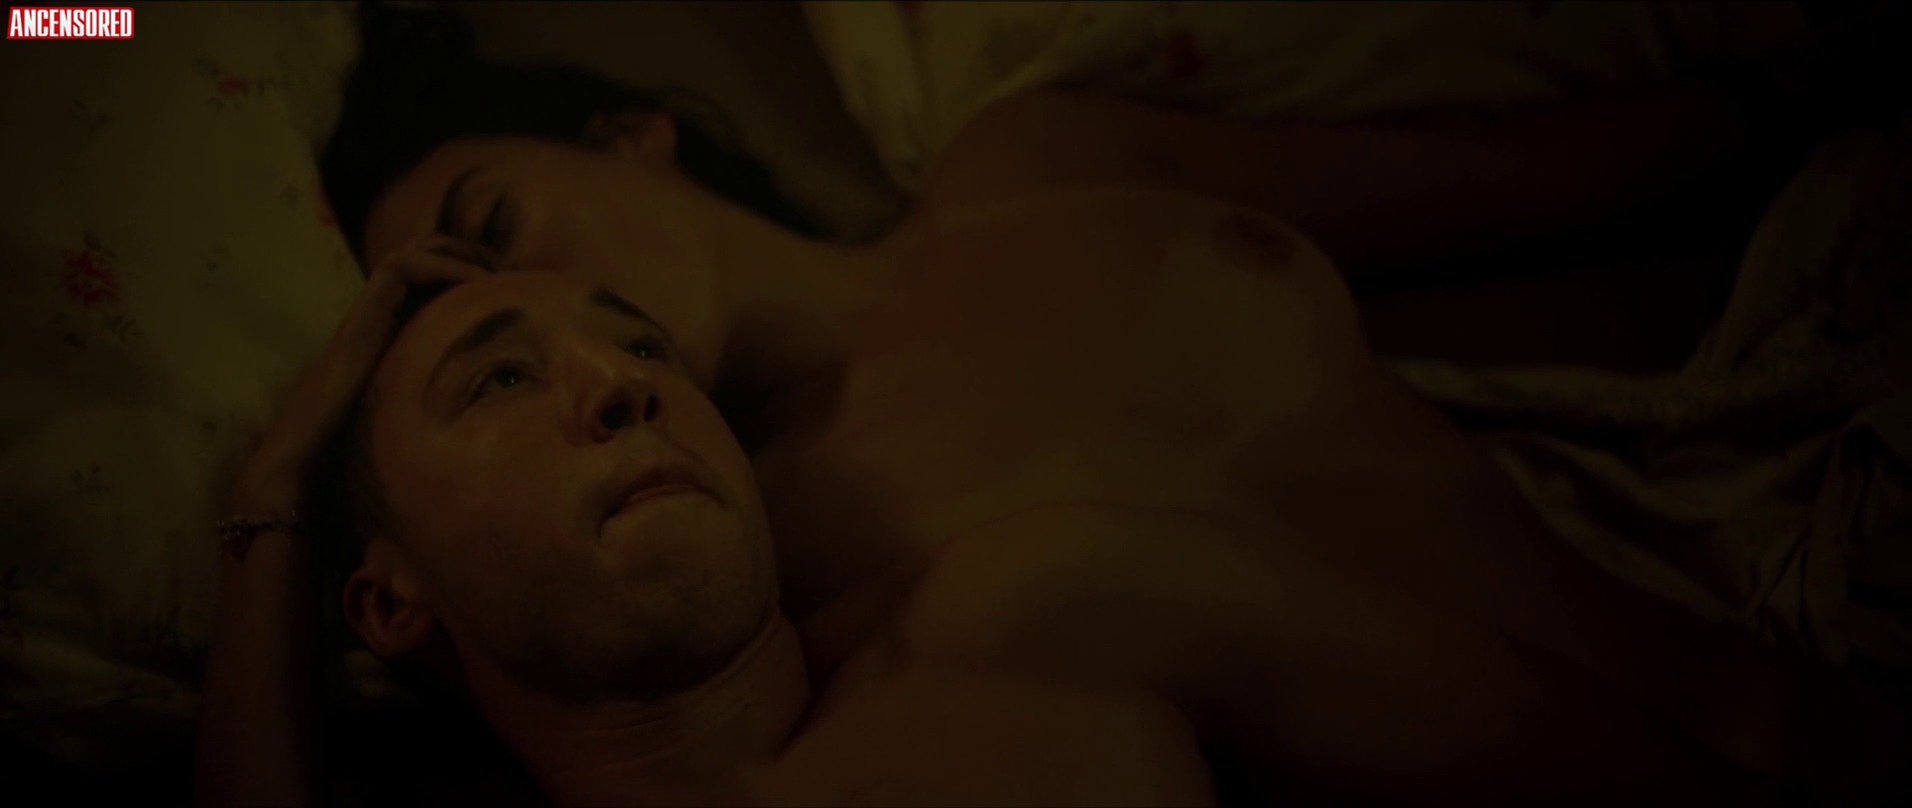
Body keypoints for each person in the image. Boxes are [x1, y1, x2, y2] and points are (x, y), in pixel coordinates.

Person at [198, 5, 1876, 806]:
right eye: (469, 343)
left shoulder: (1035, 168)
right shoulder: (764, 588)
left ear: (628, 137)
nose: (600, 374)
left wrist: (1777, 95)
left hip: (1729, 615)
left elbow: (1499, 182)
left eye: (487, 232)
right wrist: (283, 504)